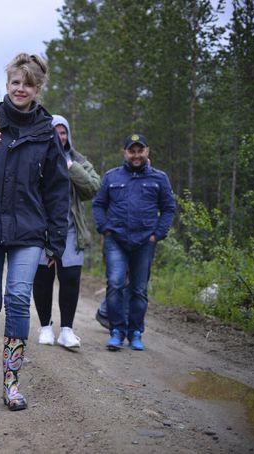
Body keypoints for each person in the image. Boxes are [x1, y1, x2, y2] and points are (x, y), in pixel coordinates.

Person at [0, 53, 70, 411]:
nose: (21, 89)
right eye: (16, 82)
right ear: (7, 85)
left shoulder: (47, 132)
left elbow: (57, 190)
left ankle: (11, 383)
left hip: (29, 232)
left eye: (28, 83)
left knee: (19, 300)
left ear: (38, 88)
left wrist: (55, 243)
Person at [92, 134, 175, 351]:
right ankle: (117, 331)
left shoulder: (159, 178)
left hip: (145, 242)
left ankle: (135, 332)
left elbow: (168, 208)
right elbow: (98, 205)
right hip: (116, 240)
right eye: (132, 151)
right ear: (125, 153)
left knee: (139, 289)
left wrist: (157, 234)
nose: (136, 155)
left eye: (140, 151)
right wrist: (105, 229)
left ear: (147, 151)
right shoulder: (111, 177)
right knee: (116, 284)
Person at [32, 115, 100, 348]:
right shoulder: (36, 156)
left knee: (70, 278)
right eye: (55, 132)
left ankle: (67, 330)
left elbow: (93, 188)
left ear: (68, 135)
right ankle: (45, 327)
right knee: (42, 278)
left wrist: (71, 167)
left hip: (71, 230)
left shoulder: (77, 159)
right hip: (41, 229)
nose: (59, 137)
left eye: (63, 132)